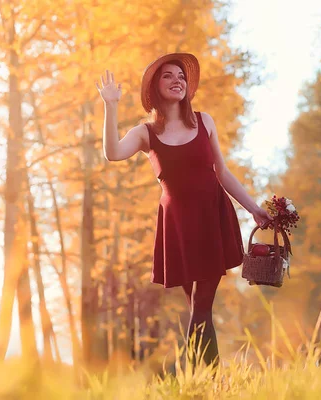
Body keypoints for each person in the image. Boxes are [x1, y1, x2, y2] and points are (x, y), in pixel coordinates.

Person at [95, 53, 272, 369]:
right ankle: (206, 380)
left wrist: (254, 208)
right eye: (168, 76)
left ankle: (197, 377)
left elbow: (223, 172)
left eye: (181, 76)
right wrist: (111, 106)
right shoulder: (146, 133)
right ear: (154, 87)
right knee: (197, 306)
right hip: (178, 225)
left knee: (202, 304)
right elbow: (112, 153)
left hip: (211, 217)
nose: (177, 80)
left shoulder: (204, 121)